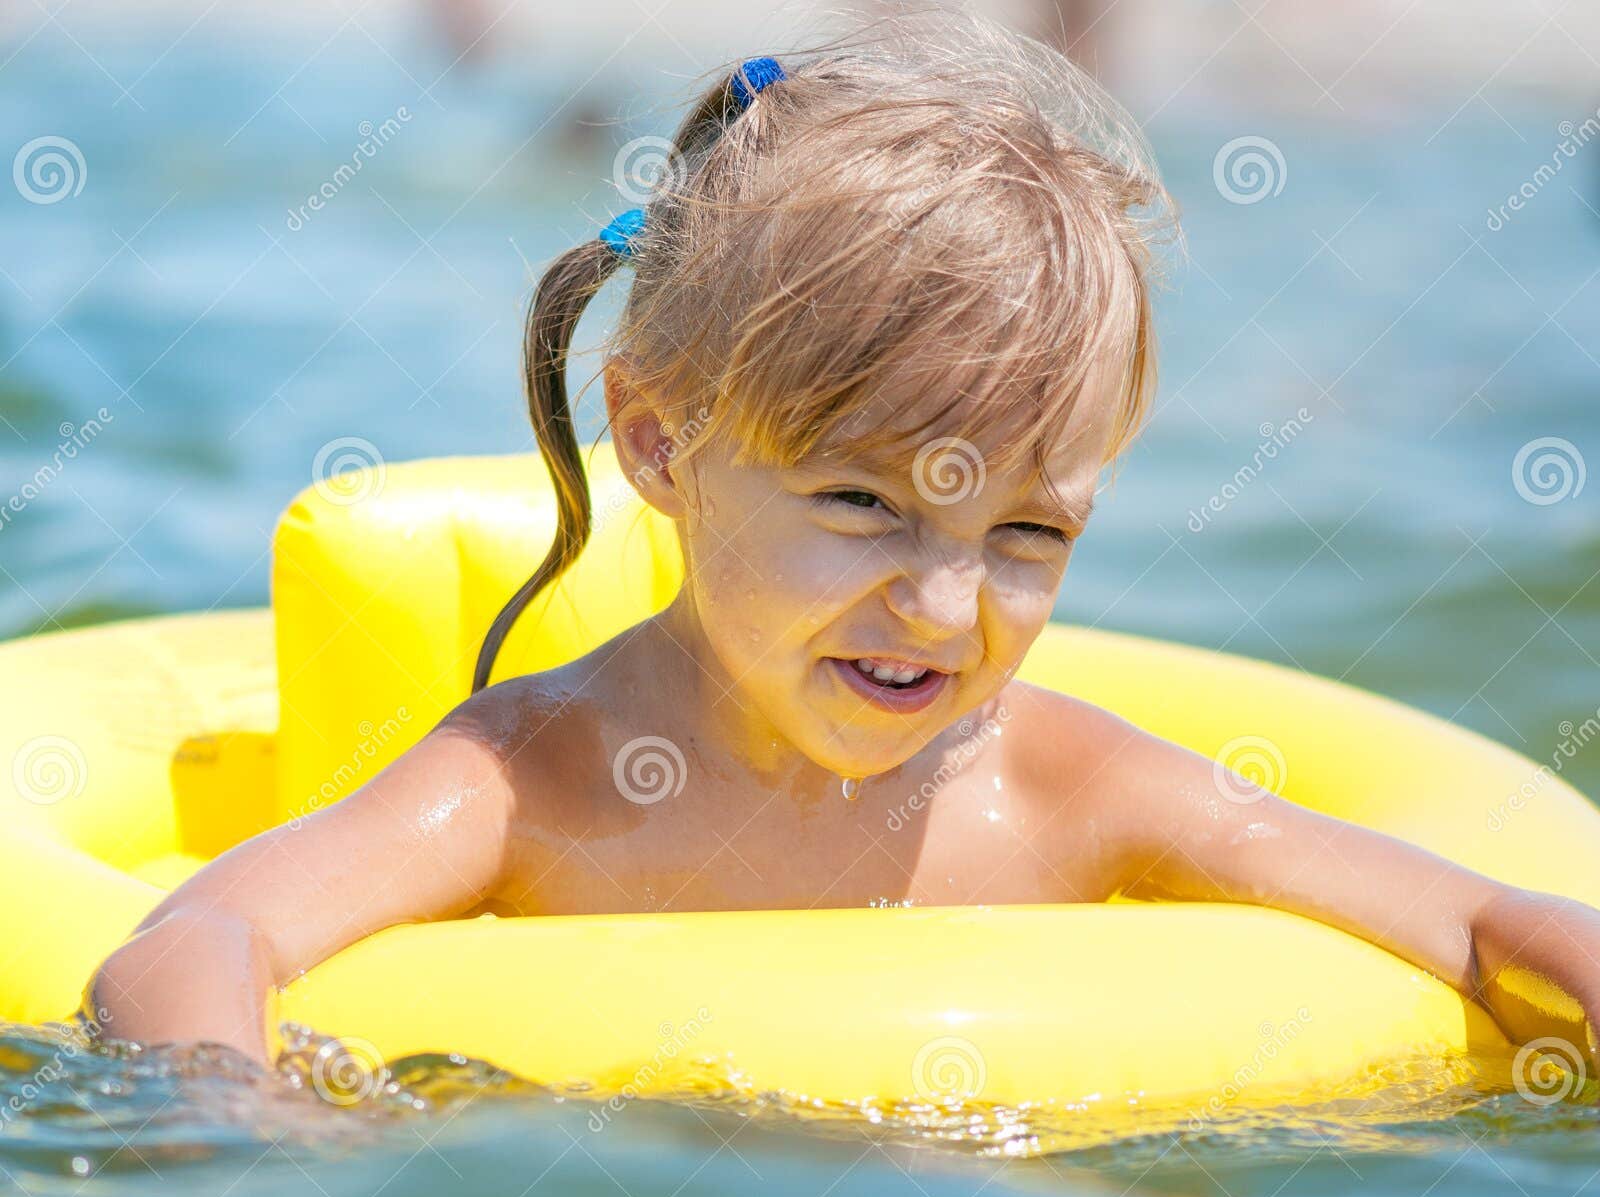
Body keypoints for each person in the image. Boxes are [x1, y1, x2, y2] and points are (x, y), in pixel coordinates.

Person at [89, 10, 1600, 1073]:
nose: (946, 605)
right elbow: (194, 939)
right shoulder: (530, 781)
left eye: (1026, 528)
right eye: (864, 504)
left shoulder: (1064, 784)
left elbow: (1470, 914)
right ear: (660, 440)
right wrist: (239, 1120)